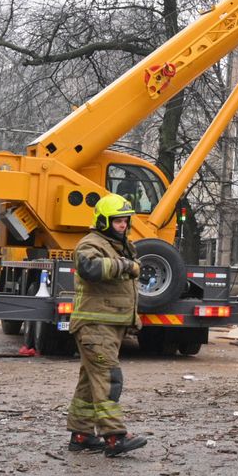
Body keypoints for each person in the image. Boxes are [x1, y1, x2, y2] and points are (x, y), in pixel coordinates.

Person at [67, 193, 149, 457]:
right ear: (103, 221)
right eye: (117, 221)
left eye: (125, 220)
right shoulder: (91, 243)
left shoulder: (119, 245)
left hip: (107, 326)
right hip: (95, 326)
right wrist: (125, 265)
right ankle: (114, 437)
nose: (123, 225)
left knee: (90, 383)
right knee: (108, 379)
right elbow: (89, 268)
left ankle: (81, 435)